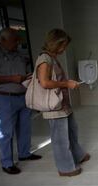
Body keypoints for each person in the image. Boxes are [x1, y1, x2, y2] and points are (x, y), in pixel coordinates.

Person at [0, 28, 41, 175]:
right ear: (2, 40)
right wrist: (11, 79)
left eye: (18, 40)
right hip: (2, 98)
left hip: (22, 96)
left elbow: (21, 75)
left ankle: (24, 153)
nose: (17, 43)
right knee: (5, 132)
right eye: (14, 41)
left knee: (25, 127)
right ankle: (7, 163)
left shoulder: (18, 54)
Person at [36, 29, 90, 177]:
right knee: (60, 137)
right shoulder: (44, 59)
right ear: (55, 43)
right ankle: (65, 168)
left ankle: (78, 155)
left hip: (62, 102)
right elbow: (44, 83)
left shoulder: (52, 57)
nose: (64, 48)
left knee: (72, 129)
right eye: (63, 45)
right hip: (54, 105)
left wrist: (67, 84)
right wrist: (67, 84)